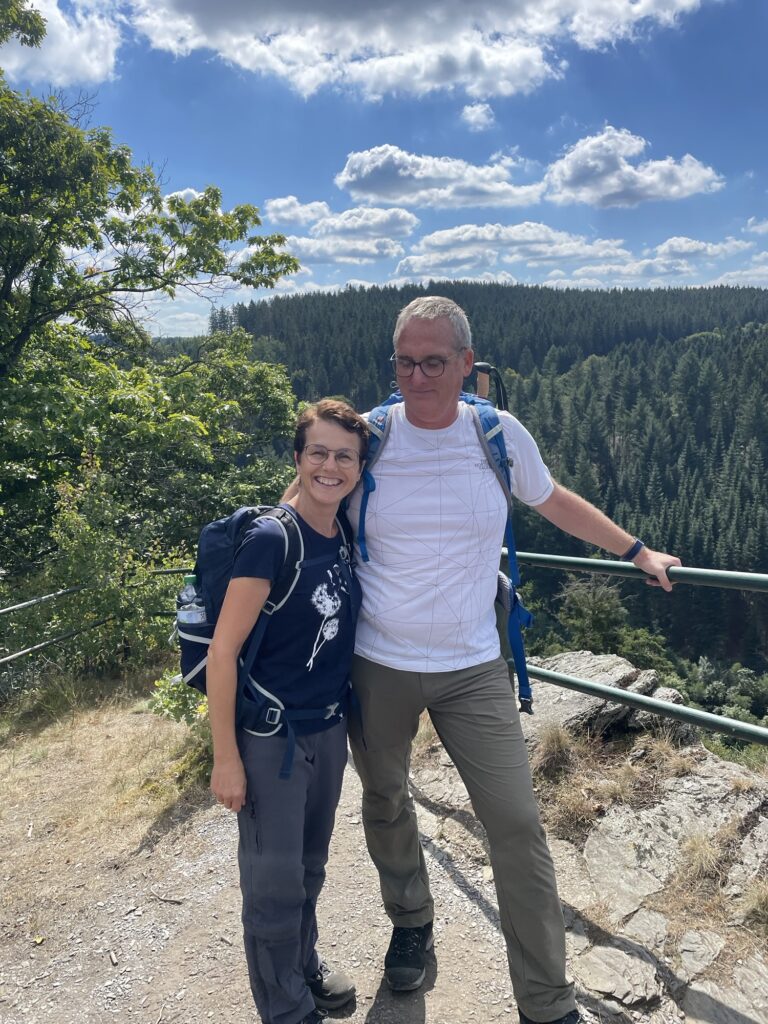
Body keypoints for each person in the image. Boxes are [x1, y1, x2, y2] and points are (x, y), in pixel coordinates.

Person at [344, 296, 681, 1024]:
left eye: (435, 362)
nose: (417, 377)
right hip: (376, 661)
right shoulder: (366, 438)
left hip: (473, 666)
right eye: (405, 362)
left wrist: (636, 550)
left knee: (518, 828)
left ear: (467, 363)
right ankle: (411, 922)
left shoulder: (495, 433)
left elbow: (552, 499)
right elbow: (304, 506)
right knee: (385, 799)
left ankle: (547, 1003)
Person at [207, 399, 369, 1024]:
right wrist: (226, 759)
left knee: (309, 867)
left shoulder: (340, 530)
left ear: (359, 468)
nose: (331, 466)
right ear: (298, 458)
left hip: (327, 728)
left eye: (345, 456)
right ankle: (287, 1010)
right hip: (271, 738)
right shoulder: (273, 540)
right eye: (318, 453)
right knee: (272, 885)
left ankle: (302, 966)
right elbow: (222, 652)